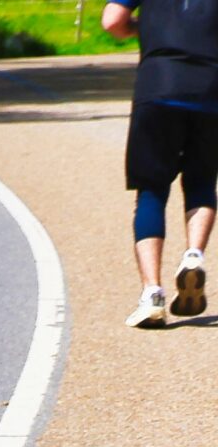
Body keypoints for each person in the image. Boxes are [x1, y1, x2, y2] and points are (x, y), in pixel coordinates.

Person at [106, 0, 218, 326]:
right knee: (201, 181)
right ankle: (194, 256)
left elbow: (113, 21)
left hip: (159, 84)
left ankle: (153, 294)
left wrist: (146, 27)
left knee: (151, 189)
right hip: (211, 88)